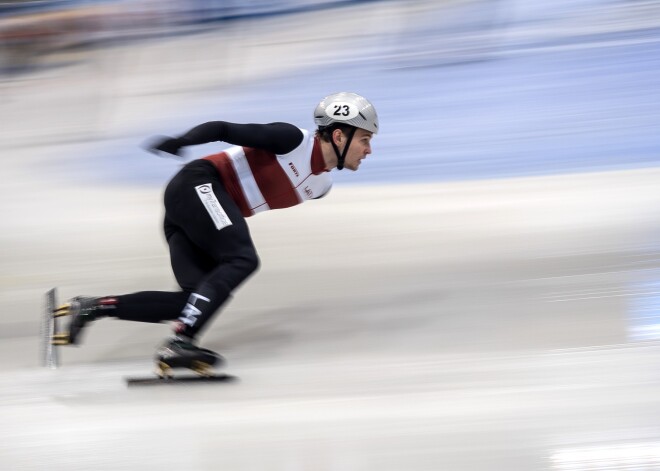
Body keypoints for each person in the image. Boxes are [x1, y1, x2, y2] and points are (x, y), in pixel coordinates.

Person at [53, 92, 378, 375]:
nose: (369, 150)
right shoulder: (291, 139)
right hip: (198, 184)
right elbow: (223, 129)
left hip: (197, 208)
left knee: (191, 301)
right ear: (338, 135)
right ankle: (179, 343)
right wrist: (181, 141)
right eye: (365, 139)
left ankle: (93, 307)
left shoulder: (321, 187)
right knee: (242, 259)